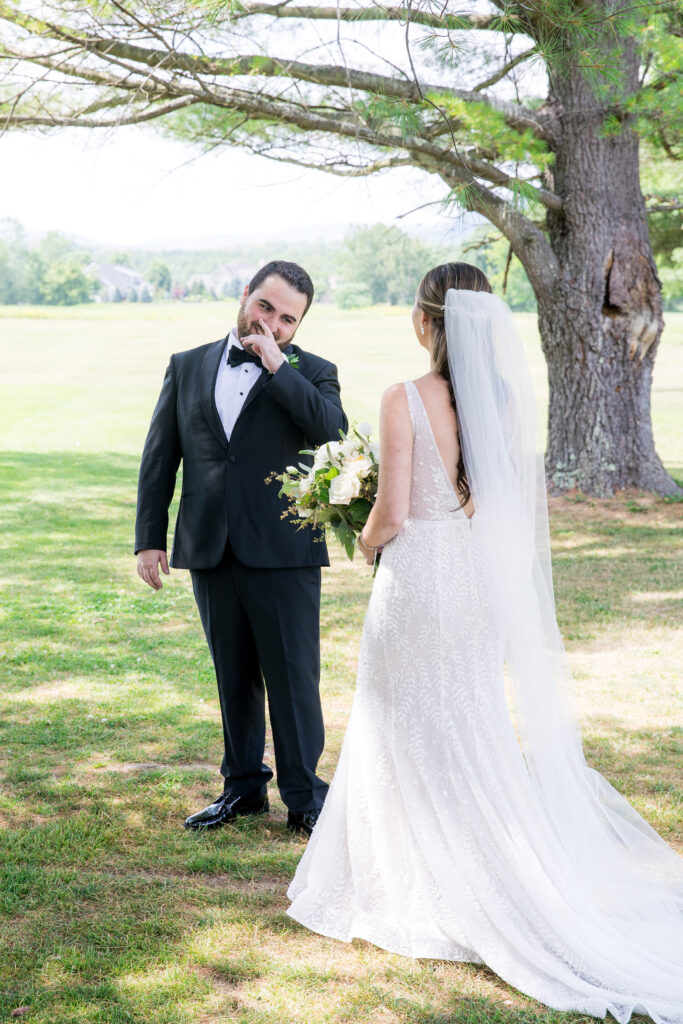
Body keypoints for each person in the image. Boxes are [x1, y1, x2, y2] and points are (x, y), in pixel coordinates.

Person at [287, 262, 683, 1022]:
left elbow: (394, 511)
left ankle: (406, 877)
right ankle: (463, 859)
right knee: (464, 717)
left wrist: (362, 538)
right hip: (475, 584)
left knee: (396, 720)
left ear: (425, 320)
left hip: (419, 577)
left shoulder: (404, 397)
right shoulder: (503, 402)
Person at [135, 260, 348, 837]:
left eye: (288, 320)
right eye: (266, 308)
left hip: (285, 551)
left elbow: (332, 432)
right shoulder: (187, 366)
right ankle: (243, 790)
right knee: (234, 677)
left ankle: (305, 799)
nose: (273, 324)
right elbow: (160, 460)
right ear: (245, 295)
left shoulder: (314, 371)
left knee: (292, 679)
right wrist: (149, 539)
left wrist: (279, 367)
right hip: (211, 547)